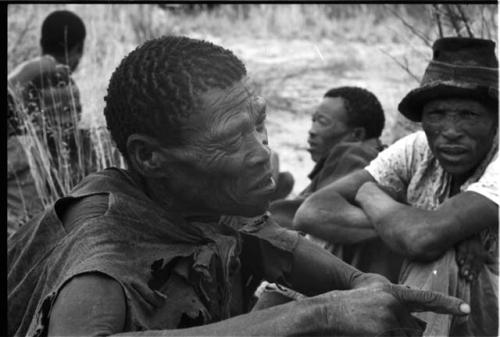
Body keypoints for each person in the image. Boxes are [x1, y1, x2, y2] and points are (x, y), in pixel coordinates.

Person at [8, 36, 470, 337]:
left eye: (260, 123)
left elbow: (278, 245)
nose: (261, 152)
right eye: (232, 138)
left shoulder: (200, 200)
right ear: (150, 156)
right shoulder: (100, 261)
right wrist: (320, 314)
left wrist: (361, 285)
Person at [294, 37, 498, 336]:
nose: (451, 131)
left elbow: (421, 238)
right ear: (424, 121)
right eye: (437, 114)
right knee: (345, 237)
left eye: (469, 115)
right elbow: (312, 211)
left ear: (496, 120)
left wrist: (372, 198)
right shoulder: (416, 148)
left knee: (437, 255)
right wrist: (416, 225)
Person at [269, 87, 403, 282]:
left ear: (356, 135)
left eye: (322, 122)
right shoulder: (378, 160)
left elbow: (305, 214)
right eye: (313, 120)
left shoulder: (354, 154)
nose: (312, 130)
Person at [7, 10, 91, 235]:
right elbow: (69, 135)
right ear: (77, 51)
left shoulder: (23, 74)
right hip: (37, 179)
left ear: (41, 42)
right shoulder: (66, 83)